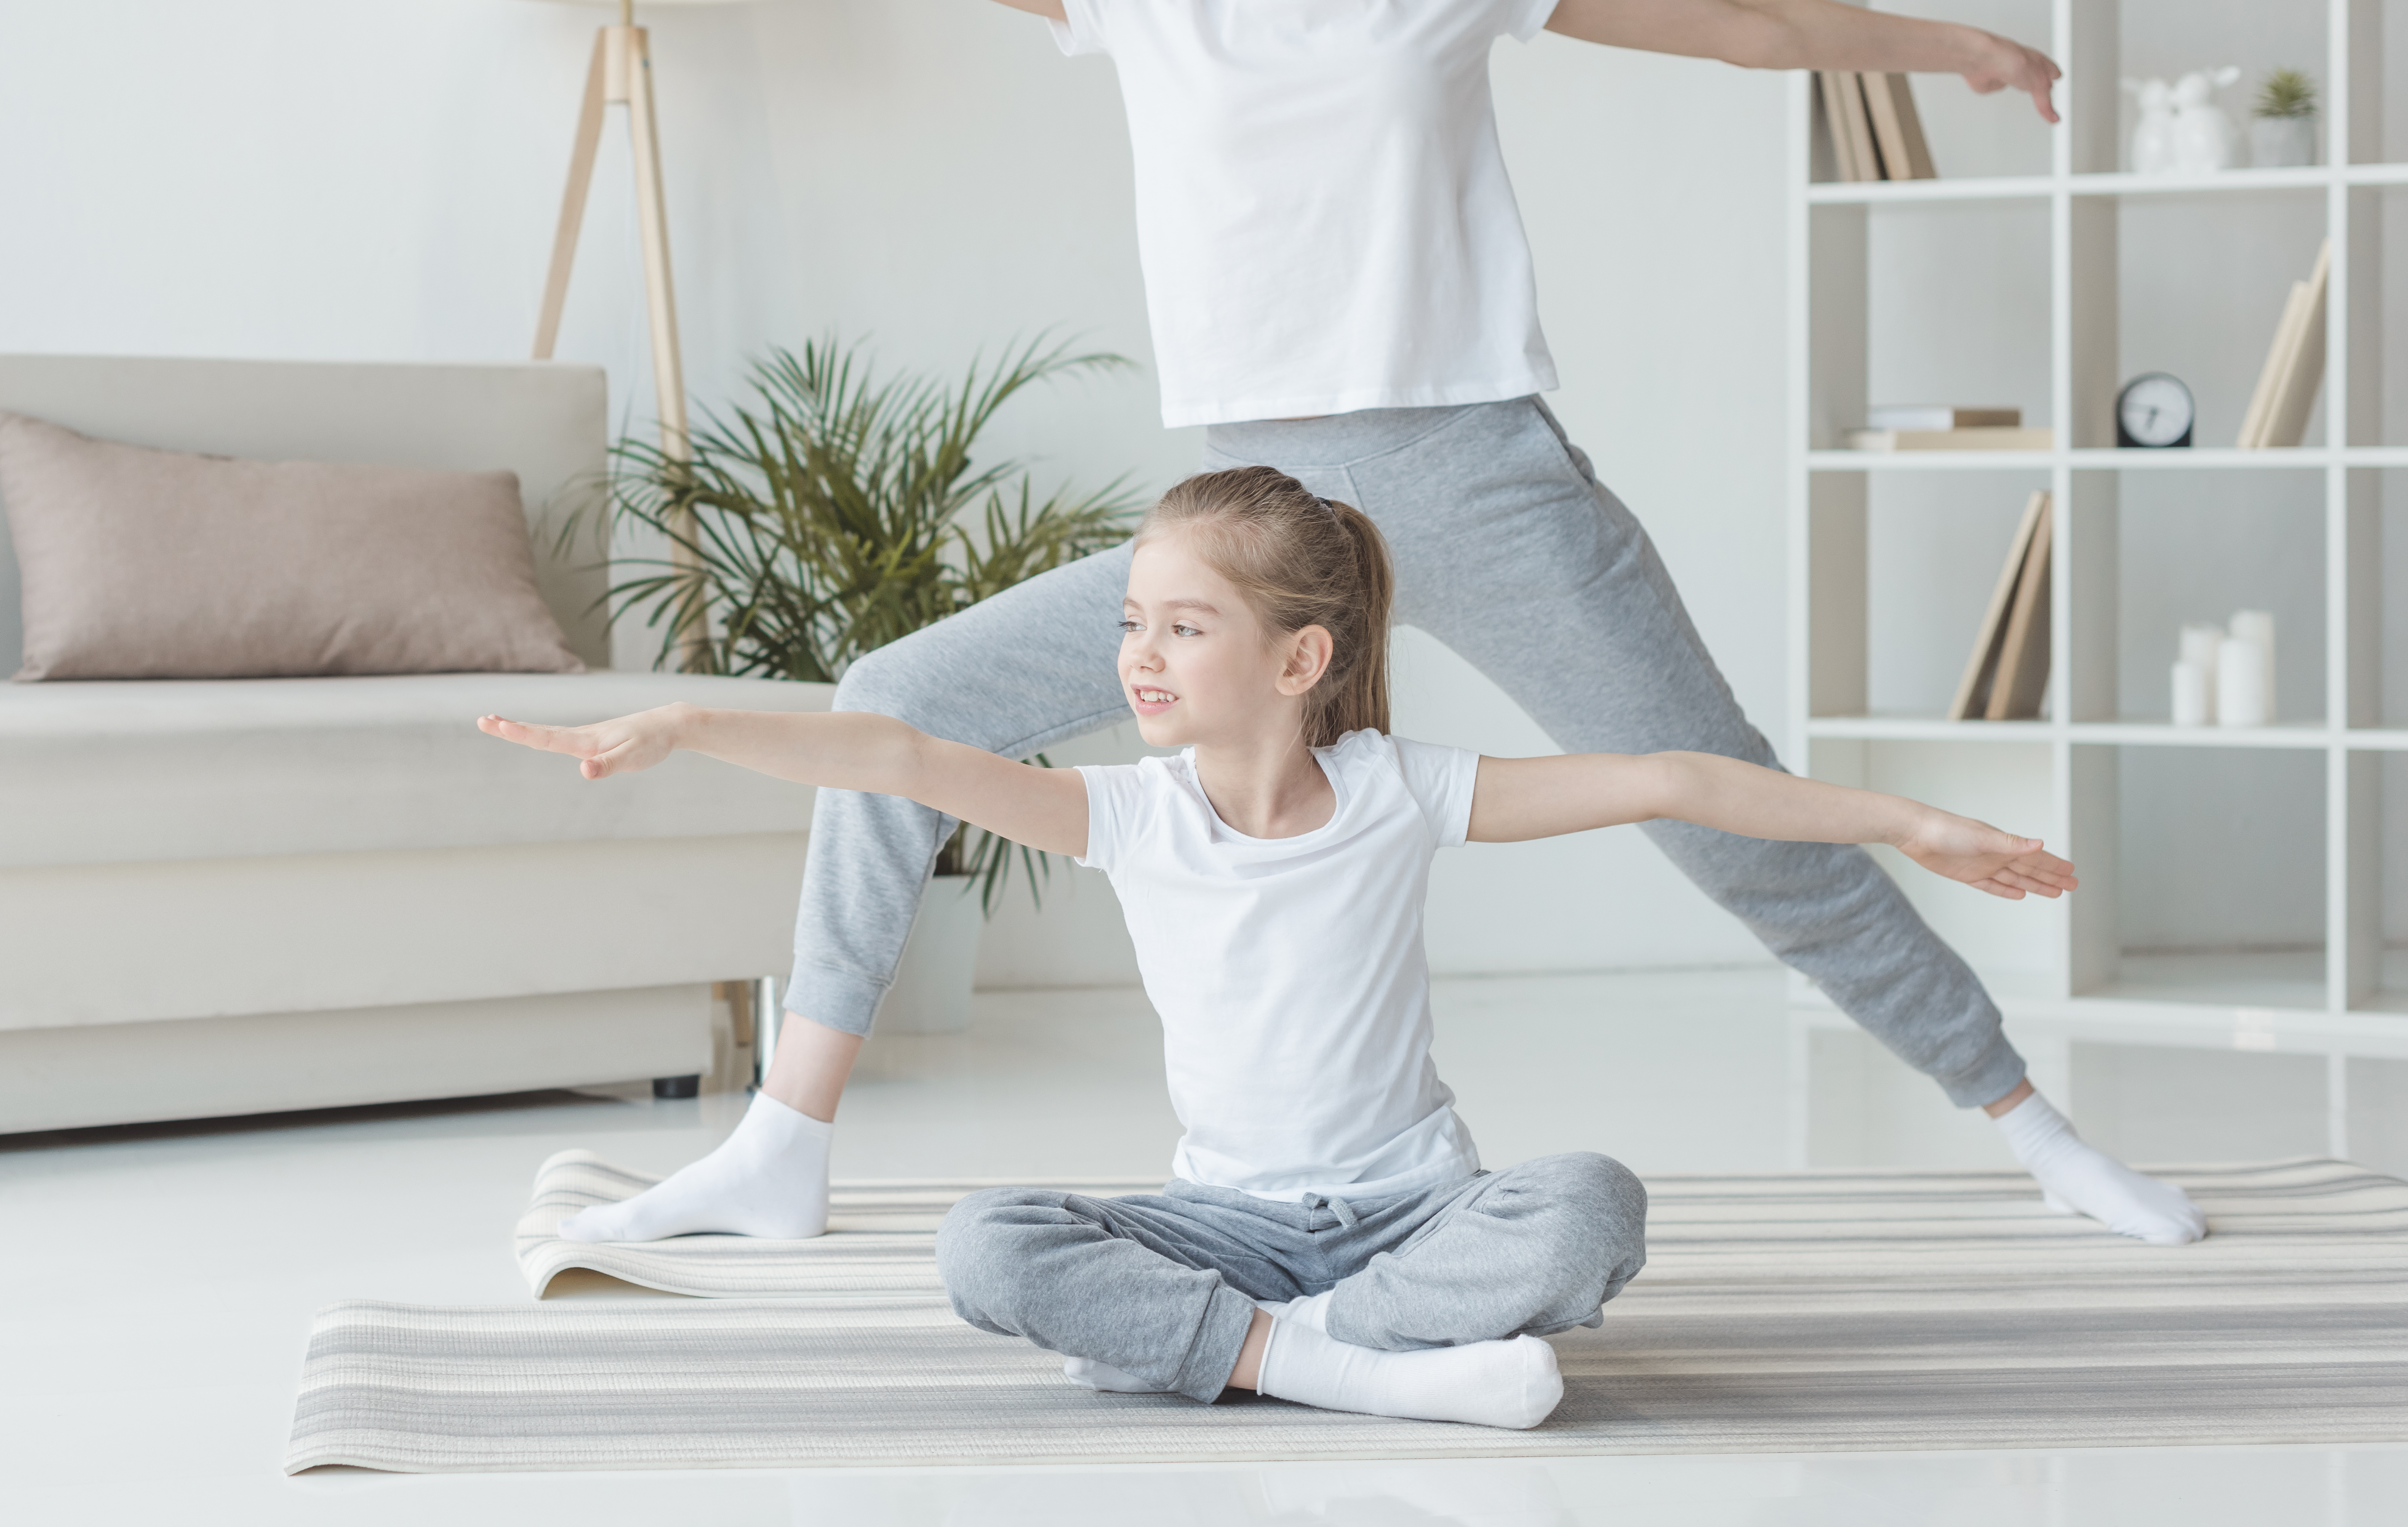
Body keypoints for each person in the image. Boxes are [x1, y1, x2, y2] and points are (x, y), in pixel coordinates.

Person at [367, 0, 2205, 1252]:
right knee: (893, 702)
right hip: (1247, 514)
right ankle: (783, 1142)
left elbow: (1722, 24)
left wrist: (1946, 48)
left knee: (1735, 826)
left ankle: (2035, 1130)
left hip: (1478, 471)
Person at [479, 467, 2079, 1423]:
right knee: (987, 1245)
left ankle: (1264, 1361)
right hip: (1223, 1225)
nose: (1141, 655)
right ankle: (1354, 1372)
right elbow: (894, 753)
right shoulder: (1129, 815)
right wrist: (686, 720)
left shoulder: (1400, 793)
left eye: (1184, 625)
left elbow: (1675, 777)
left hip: (1415, 1210)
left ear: (1300, 656)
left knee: (1590, 1208)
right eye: (1132, 623)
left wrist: (1917, 827)